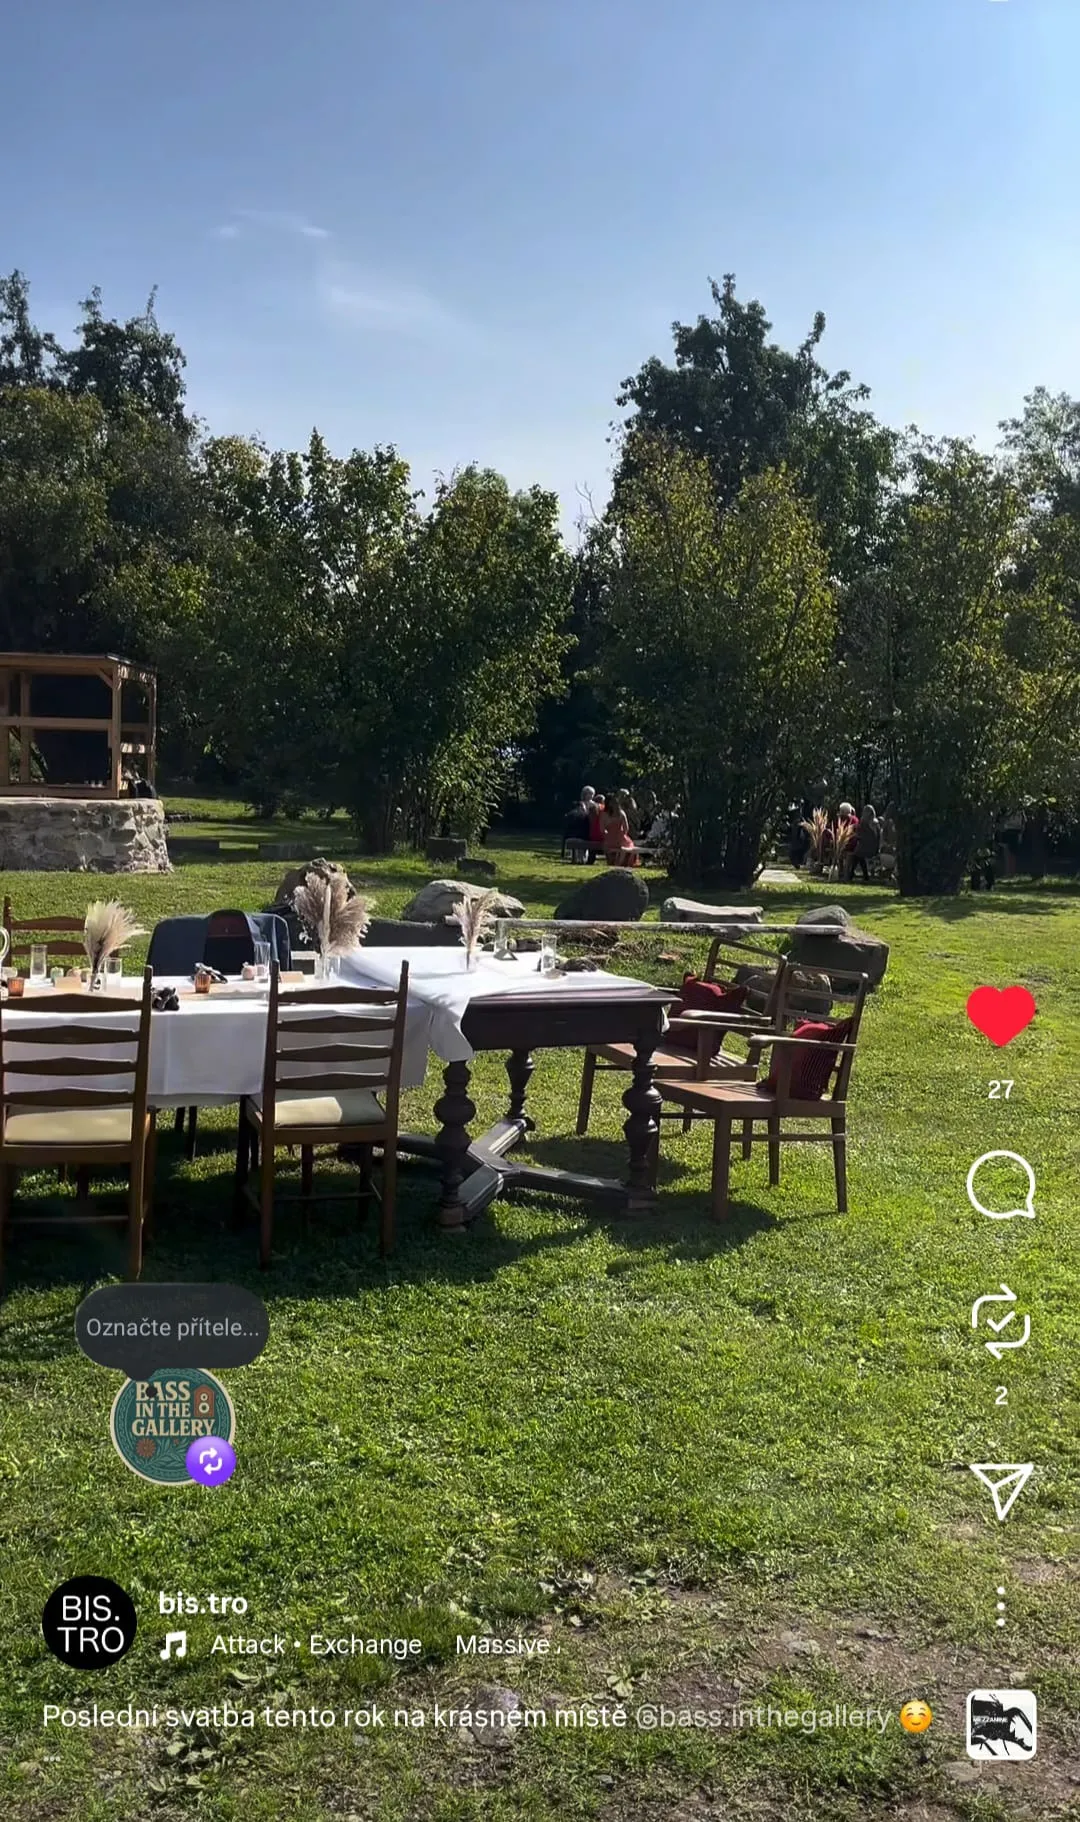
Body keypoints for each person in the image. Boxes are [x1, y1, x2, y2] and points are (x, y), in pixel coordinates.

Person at [599, 791, 638, 866]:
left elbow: (602, 830)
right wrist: (621, 834)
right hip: (621, 838)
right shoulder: (621, 813)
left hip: (610, 839)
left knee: (608, 846)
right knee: (628, 844)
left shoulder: (604, 814)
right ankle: (620, 862)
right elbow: (626, 828)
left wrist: (609, 835)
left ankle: (615, 862)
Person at [849, 804, 880, 882]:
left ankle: (851, 875)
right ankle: (864, 876)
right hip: (873, 847)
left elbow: (861, 835)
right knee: (859, 855)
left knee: (856, 854)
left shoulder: (864, 823)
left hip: (867, 847)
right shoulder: (876, 822)